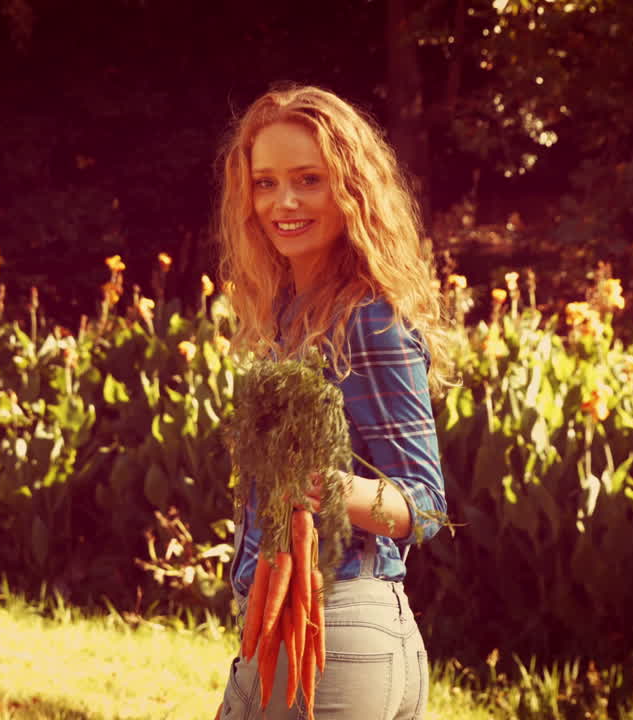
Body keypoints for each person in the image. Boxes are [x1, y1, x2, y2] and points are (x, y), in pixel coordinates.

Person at [214, 84, 450, 720]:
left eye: (308, 179)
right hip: (286, 627)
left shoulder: (367, 319)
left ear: (350, 190)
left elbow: (424, 508)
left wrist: (318, 482)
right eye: (265, 183)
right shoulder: (292, 312)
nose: (283, 202)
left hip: (339, 632)